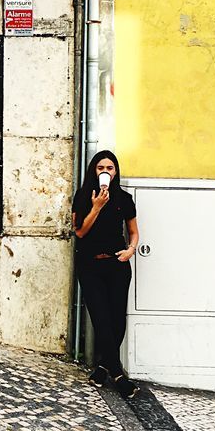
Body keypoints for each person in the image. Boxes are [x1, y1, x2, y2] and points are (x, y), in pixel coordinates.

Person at [72, 149, 140, 398]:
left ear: (116, 172)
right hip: (90, 265)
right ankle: (119, 375)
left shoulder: (124, 198)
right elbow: (79, 231)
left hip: (117, 264)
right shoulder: (83, 196)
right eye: (101, 168)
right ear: (94, 170)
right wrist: (97, 207)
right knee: (101, 319)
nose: (105, 172)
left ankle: (102, 368)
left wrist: (130, 250)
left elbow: (133, 231)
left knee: (116, 319)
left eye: (110, 168)